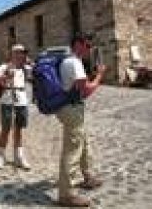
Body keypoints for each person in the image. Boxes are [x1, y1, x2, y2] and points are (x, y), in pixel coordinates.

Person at [56, 33, 106, 207]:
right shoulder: (74, 62)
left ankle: (87, 176)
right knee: (72, 148)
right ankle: (66, 194)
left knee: (83, 141)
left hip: (71, 108)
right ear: (77, 44)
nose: (89, 48)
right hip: (71, 109)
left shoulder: (69, 61)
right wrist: (99, 76)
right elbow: (85, 91)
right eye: (87, 44)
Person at [0, 44, 31, 170]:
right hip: (7, 101)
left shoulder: (26, 68)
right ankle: (1, 156)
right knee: (6, 129)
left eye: (22, 52)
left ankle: (19, 156)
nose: (20, 55)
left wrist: (31, 65)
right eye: (17, 52)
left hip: (21, 101)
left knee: (18, 129)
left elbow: (36, 75)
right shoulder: (5, 66)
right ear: (12, 54)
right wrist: (6, 76)